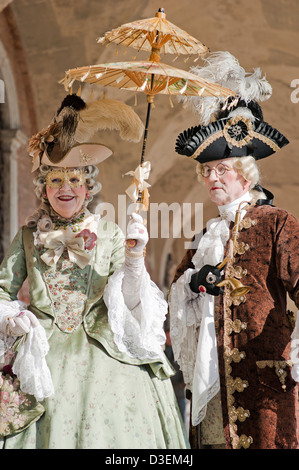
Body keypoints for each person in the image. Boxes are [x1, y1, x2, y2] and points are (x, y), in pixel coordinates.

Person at [0, 94, 189, 449]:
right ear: (44, 189)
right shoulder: (27, 236)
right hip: (44, 353)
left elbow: (130, 303)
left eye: (74, 179)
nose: (65, 189)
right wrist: (11, 320)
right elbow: (2, 290)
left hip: (105, 350)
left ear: (89, 187)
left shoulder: (112, 234)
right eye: (55, 181)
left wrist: (135, 257)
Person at [168, 52, 299, 449]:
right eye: (206, 171)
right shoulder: (204, 235)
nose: (212, 178)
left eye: (221, 168)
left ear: (245, 171)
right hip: (212, 386)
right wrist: (194, 282)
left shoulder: (277, 222)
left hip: (263, 386)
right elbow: (175, 294)